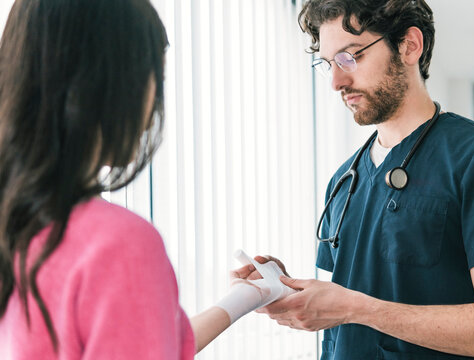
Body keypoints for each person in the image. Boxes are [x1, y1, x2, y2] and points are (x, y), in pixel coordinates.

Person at [248, 0, 474, 359]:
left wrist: (357, 308)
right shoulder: (344, 179)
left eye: (350, 57)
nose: (337, 82)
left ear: (409, 46)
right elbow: (345, 303)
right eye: (328, 65)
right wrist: (288, 291)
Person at [0, 0, 272, 358]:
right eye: (153, 76)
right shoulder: (117, 244)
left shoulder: (19, 223)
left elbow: (144, 338)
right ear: (109, 83)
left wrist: (249, 296)